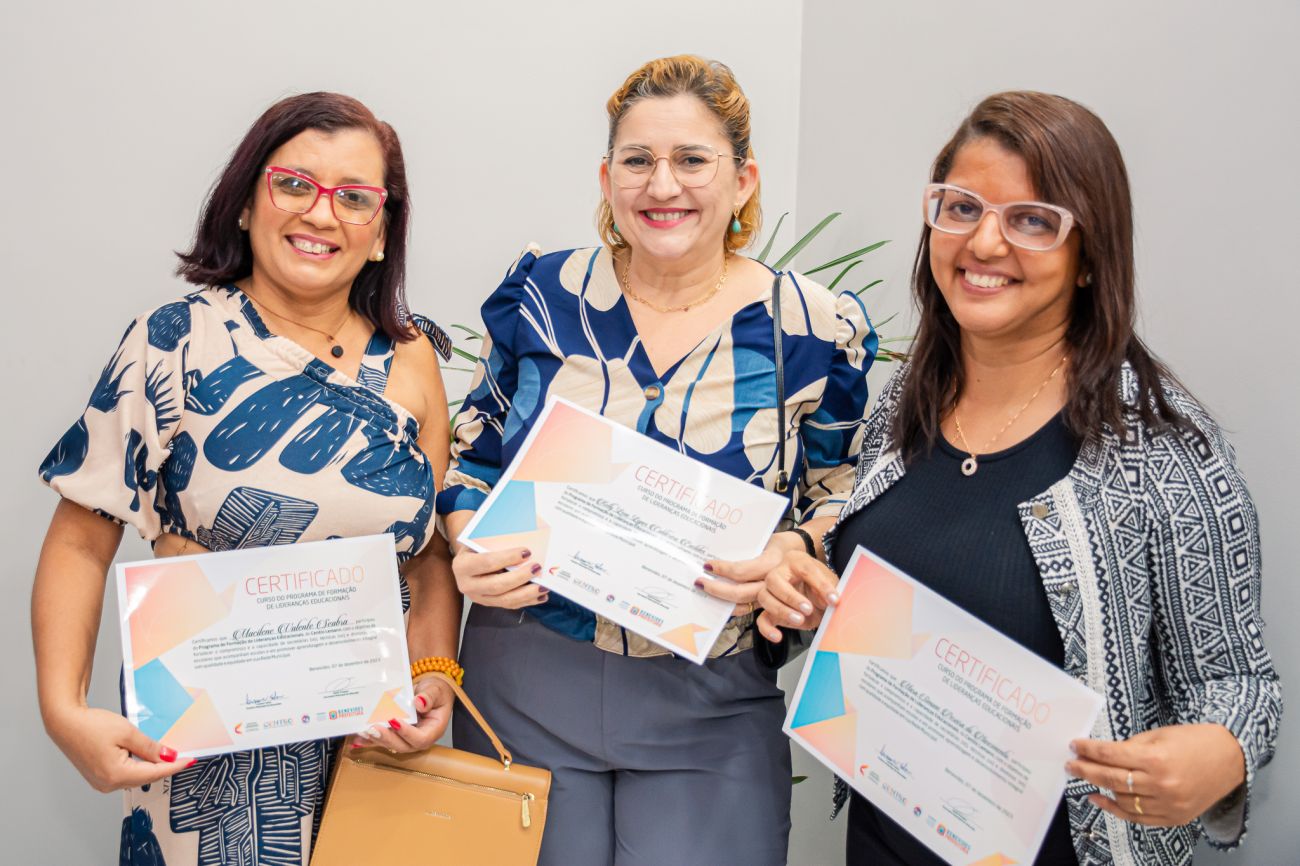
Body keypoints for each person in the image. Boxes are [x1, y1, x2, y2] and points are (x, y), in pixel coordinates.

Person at [757, 91, 1282, 865]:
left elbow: (1240, 686)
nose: (984, 242)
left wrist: (1222, 754)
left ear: (1089, 257)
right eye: (961, 208)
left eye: (1033, 220)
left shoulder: (1162, 447)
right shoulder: (908, 400)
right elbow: (878, 579)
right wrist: (803, 575)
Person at [436, 55, 877, 865]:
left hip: (709, 696)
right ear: (607, 178)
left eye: (692, 160)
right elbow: (475, 449)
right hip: (526, 670)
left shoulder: (812, 326)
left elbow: (842, 493)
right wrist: (468, 540)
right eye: (638, 160)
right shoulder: (542, 294)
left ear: (743, 180)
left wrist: (798, 549)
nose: (662, 185)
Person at [33, 92, 462, 866]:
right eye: (293, 184)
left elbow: (428, 554)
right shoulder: (175, 342)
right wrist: (63, 711)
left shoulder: (413, 359)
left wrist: (434, 673)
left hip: (374, 756)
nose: (320, 213)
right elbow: (79, 541)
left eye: (354, 197)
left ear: (381, 232)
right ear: (243, 203)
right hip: (209, 772)